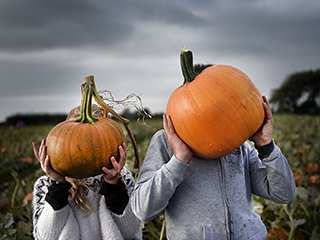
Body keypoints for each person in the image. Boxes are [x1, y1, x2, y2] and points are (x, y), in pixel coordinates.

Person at [131, 66, 296, 239]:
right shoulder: (166, 142)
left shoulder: (240, 146)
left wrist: (266, 146)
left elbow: (284, 194)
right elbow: (142, 210)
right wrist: (179, 160)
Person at [32, 105, 142, 240]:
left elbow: (129, 232)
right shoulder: (45, 185)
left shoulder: (123, 179)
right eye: (77, 138)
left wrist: (112, 183)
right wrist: (58, 184)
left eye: (93, 140)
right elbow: (45, 236)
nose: (84, 147)